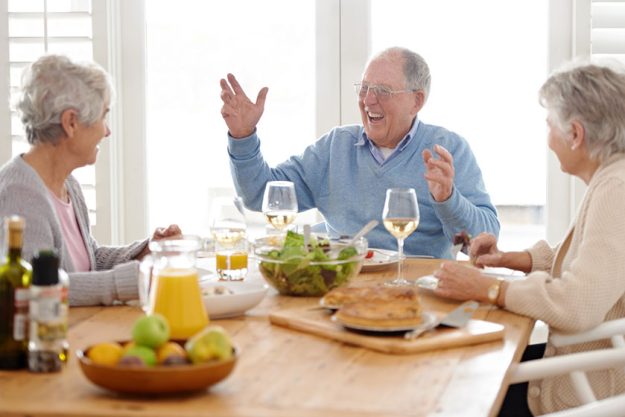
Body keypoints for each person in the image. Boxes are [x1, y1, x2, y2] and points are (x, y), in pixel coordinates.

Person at [433, 62, 625, 416]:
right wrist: (508, 259)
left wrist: (488, 289)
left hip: (584, 388)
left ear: (576, 134)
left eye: (550, 124)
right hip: (579, 366)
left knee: (452, 390)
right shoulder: (610, 179)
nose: (548, 137)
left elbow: (577, 304)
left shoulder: (616, 189)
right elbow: (584, 262)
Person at [220, 46, 499, 258]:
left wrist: (448, 199)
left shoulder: (448, 150)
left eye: (382, 91)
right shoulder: (335, 147)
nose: (368, 100)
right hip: (339, 291)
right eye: (364, 88)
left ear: (416, 101)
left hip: (415, 296)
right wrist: (243, 137)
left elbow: (481, 243)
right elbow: (260, 196)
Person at [0, 54, 181, 307]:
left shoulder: (67, 184)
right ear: (71, 122)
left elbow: (88, 262)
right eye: (103, 116)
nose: (107, 131)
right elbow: (36, 289)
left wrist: (146, 251)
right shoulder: (19, 195)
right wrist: (135, 278)